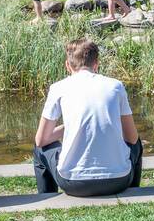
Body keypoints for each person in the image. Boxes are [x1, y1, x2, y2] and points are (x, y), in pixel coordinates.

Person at [33, 38, 142, 196]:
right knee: (136, 143)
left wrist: (67, 128)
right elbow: (131, 138)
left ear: (67, 65)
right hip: (118, 181)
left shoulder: (58, 88)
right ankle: (133, 191)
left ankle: (47, 196)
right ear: (96, 64)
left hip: (74, 184)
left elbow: (41, 140)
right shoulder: (116, 86)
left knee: (39, 149)